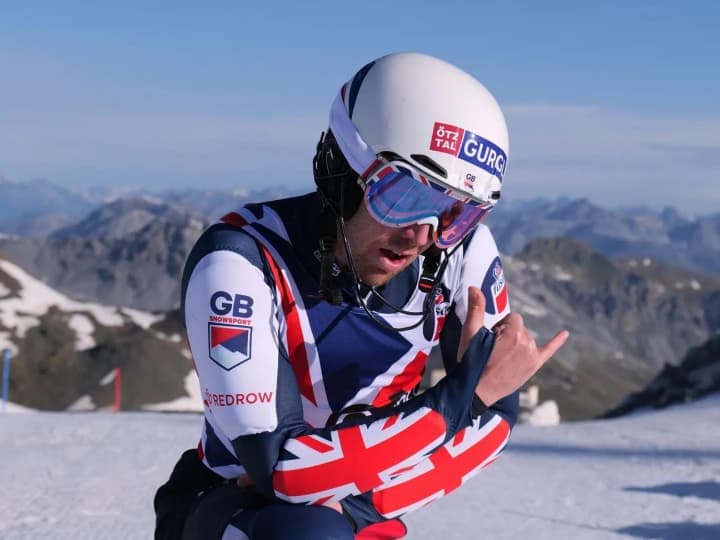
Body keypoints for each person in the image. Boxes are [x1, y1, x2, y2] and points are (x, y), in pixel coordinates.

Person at [154, 51, 569, 540]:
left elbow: (496, 422)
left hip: (351, 514)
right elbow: (283, 470)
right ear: (341, 171)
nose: (423, 236)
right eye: (404, 198)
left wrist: (355, 507)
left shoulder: (462, 250)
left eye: (459, 214)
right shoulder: (238, 258)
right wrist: (463, 399)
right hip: (226, 505)